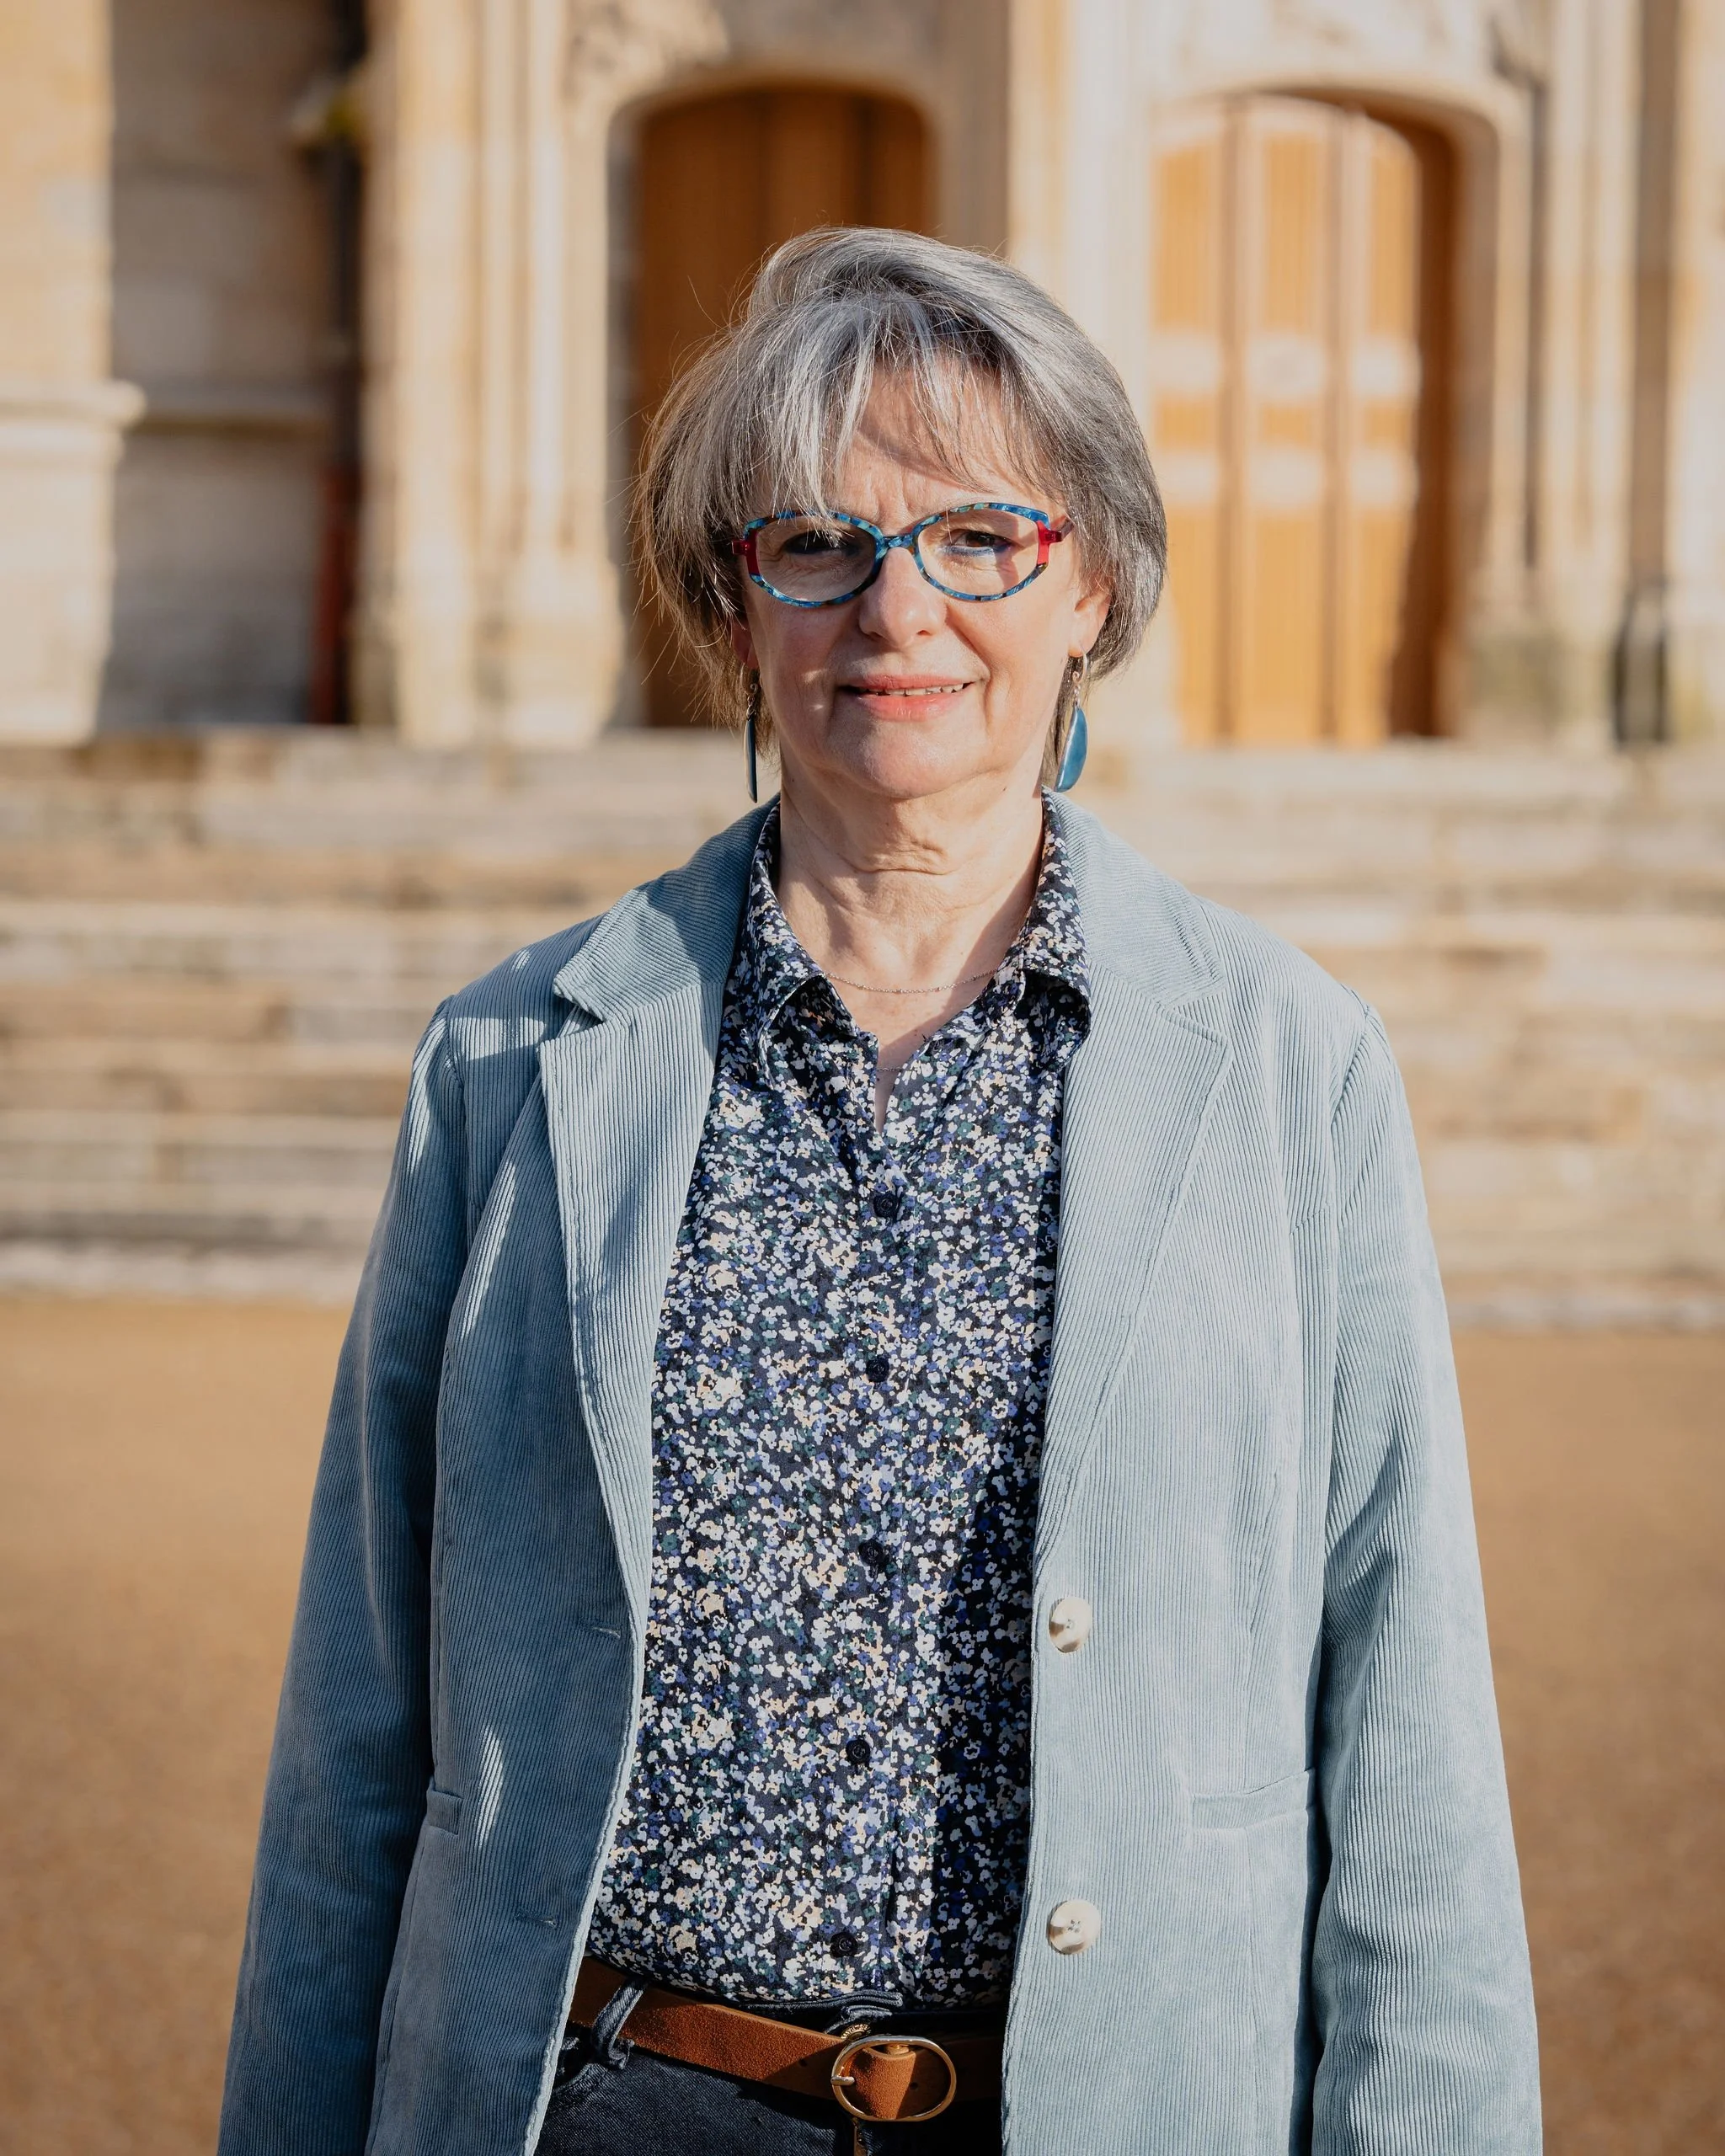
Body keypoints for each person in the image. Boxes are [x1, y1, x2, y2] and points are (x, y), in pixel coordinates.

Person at [218, 228, 1540, 2156]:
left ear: (1088, 582)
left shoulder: (1286, 1061)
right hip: (604, 2103)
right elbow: (357, 1724)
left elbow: (1404, 1710)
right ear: (733, 601)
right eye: (815, 541)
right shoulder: (511, 1060)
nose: (896, 608)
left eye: (982, 535)